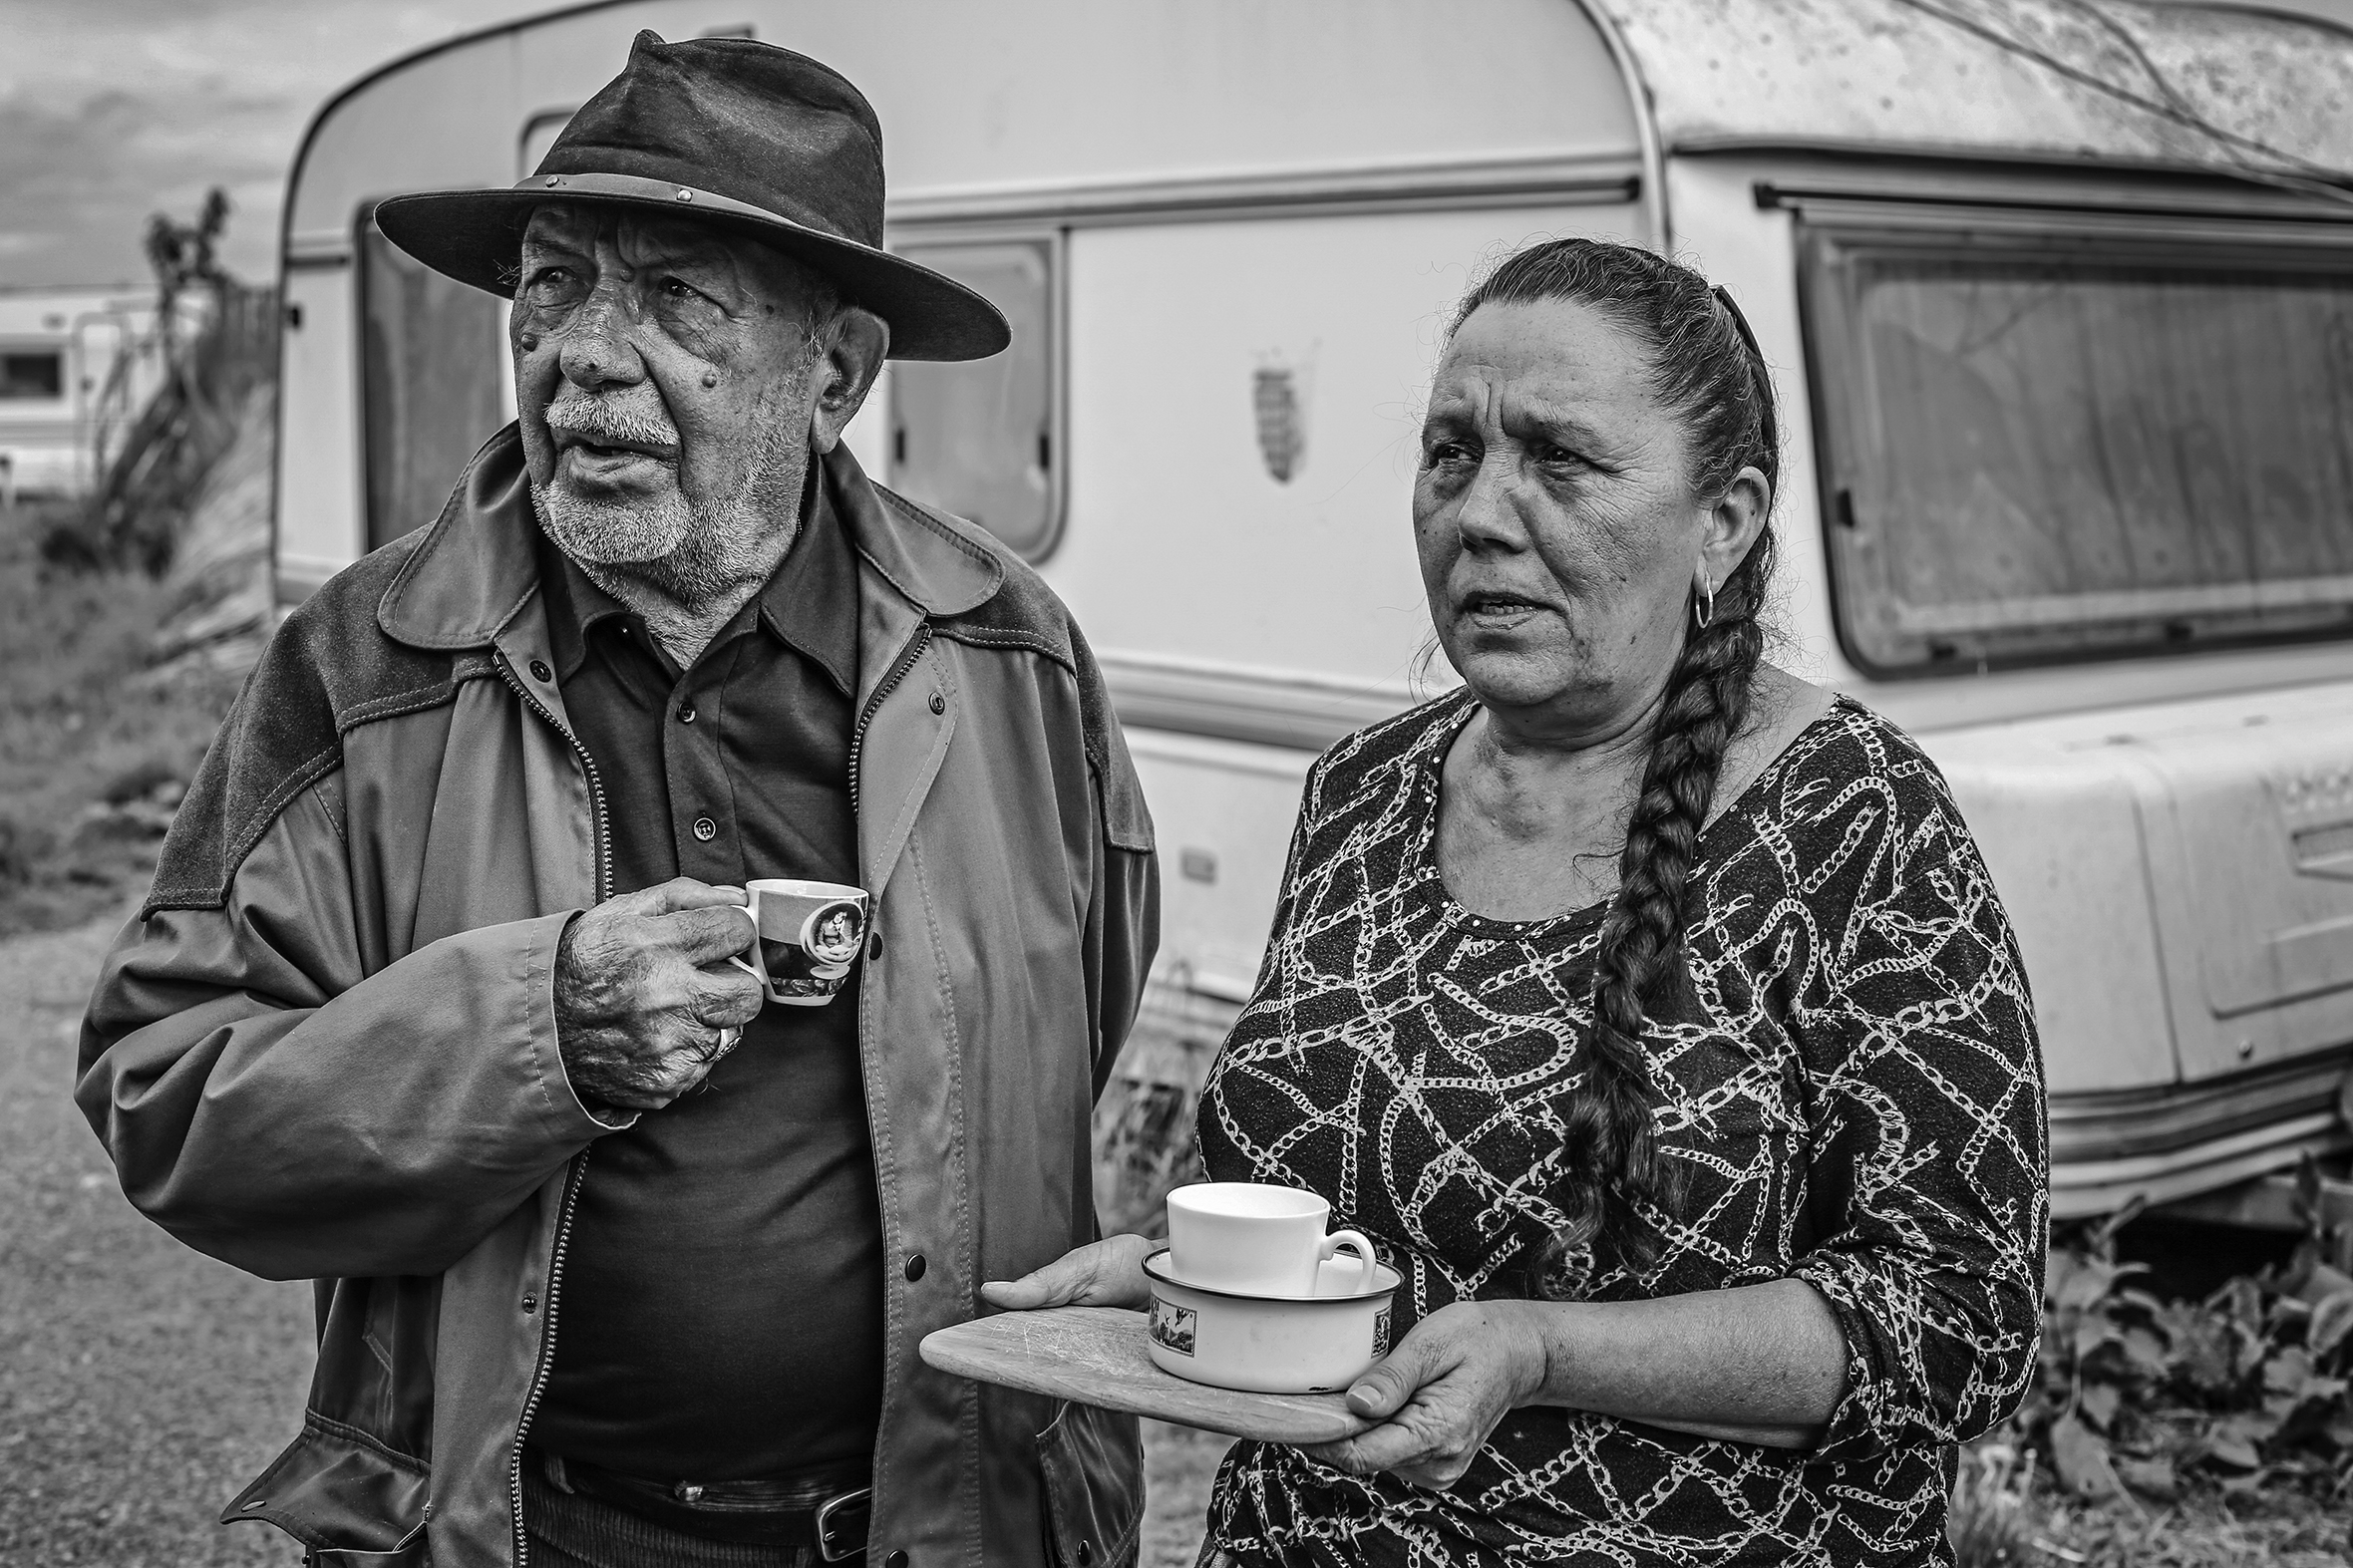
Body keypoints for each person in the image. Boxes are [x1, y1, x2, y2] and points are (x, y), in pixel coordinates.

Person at [77, 33, 1157, 1568]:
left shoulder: (1008, 654)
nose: (580, 352)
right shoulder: (369, 663)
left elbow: (1078, 1030)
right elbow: (163, 1088)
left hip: (950, 1526)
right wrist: (537, 1027)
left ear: (835, 372)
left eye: (672, 299)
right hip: (540, 1530)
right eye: (551, 282)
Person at [989, 238, 2047, 1565]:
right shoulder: (1362, 790)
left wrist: (1541, 1351)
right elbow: (1370, 1204)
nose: (1480, 510)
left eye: (1560, 459)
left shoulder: (1857, 817)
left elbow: (1958, 1316)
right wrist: (1184, 1278)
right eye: (1450, 453)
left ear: (1723, 520)